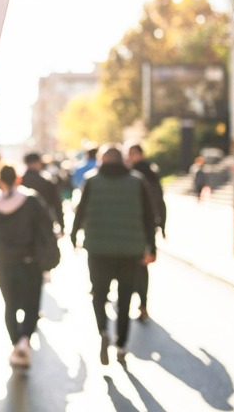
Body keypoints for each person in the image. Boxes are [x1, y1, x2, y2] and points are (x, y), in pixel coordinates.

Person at [70, 144, 157, 366]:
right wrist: (151, 246)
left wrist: (74, 235)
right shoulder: (137, 181)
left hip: (98, 250)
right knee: (125, 298)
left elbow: (81, 211)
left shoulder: (91, 180)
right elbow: (149, 216)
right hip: (131, 250)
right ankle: (121, 344)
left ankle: (102, 331)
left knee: (99, 293)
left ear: (102, 160)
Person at [0, 162, 53, 368]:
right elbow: (46, 227)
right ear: (17, 178)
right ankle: (24, 340)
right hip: (30, 260)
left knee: (10, 304)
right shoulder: (31, 201)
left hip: (3, 262)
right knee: (31, 303)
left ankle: (16, 343)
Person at [125, 142, 166, 322]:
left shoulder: (138, 175)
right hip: (142, 225)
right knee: (139, 267)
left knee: (138, 266)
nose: (130, 157)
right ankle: (141, 302)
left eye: (132, 154)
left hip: (139, 226)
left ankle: (141, 303)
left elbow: (158, 200)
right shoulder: (144, 172)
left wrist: (162, 224)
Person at [21, 152, 63, 234]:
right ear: (38, 162)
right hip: (45, 221)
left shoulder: (20, 181)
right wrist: (61, 224)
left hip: (25, 223)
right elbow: (57, 203)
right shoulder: (47, 180)